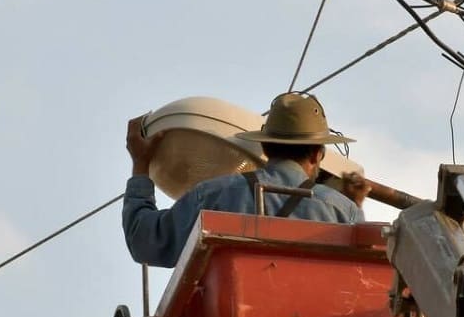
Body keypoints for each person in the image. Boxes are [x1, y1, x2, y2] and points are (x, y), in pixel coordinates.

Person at [123, 92, 372, 267]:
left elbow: (145, 242)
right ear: (318, 154)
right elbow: (358, 273)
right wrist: (353, 206)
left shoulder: (213, 195)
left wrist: (141, 164)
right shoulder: (342, 210)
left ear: (264, 146)